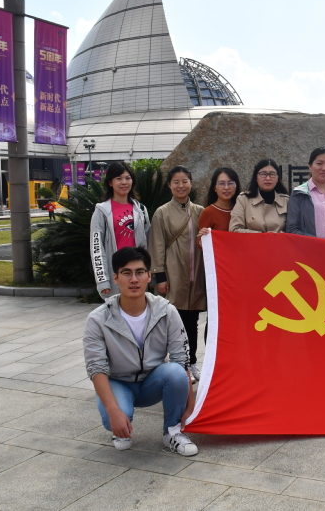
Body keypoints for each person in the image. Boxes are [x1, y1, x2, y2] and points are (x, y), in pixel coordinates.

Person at [83, 246, 198, 456]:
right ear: (116, 278)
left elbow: (182, 359)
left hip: (152, 382)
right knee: (112, 420)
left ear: (149, 276)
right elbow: (96, 368)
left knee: (175, 372)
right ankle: (120, 425)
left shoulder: (167, 311)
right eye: (126, 273)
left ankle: (172, 432)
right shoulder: (98, 319)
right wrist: (114, 411)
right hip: (118, 382)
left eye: (139, 272)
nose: (134, 279)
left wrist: (190, 406)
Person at [148, 165, 206, 381]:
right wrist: (160, 277)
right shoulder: (162, 213)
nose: (181, 186)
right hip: (173, 276)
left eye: (184, 181)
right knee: (173, 322)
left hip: (195, 276)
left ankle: (192, 363)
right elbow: (156, 245)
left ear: (191, 183)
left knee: (192, 323)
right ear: (169, 185)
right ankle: (177, 364)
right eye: (176, 182)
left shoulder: (200, 211)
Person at [90, 161, 150, 299]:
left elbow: (149, 242)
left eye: (128, 178)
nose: (124, 182)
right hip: (115, 274)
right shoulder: (102, 211)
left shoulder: (141, 210)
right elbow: (96, 247)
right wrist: (103, 280)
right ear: (110, 182)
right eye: (119, 178)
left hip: (138, 273)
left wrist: (149, 276)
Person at [230, 159, 290, 233]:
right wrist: (263, 236)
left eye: (272, 174)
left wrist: (281, 235)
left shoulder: (286, 201)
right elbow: (234, 229)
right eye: (263, 174)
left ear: (278, 178)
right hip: (251, 241)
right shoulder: (243, 199)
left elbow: (293, 230)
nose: (268, 178)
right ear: (256, 177)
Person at [199, 167, 241, 233]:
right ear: (215, 188)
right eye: (221, 183)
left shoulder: (241, 210)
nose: (226, 187)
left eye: (230, 183)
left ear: (236, 186)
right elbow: (201, 238)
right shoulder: (208, 212)